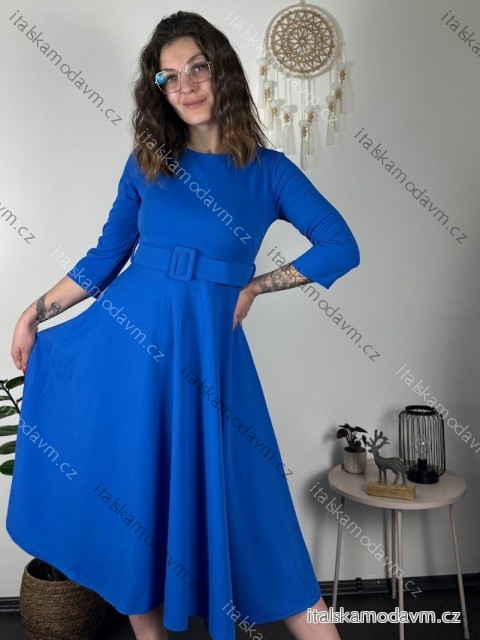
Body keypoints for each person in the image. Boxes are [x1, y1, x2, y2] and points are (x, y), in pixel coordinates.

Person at [7, 10, 359, 640]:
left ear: (222, 71)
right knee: (133, 496)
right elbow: (104, 259)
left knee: (255, 506)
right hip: (127, 352)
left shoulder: (271, 171)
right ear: (159, 92)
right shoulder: (148, 165)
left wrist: (256, 285)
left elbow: (340, 245)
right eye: (169, 77)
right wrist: (34, 313)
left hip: (210, 354)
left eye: (198, 67)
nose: (187, 85)